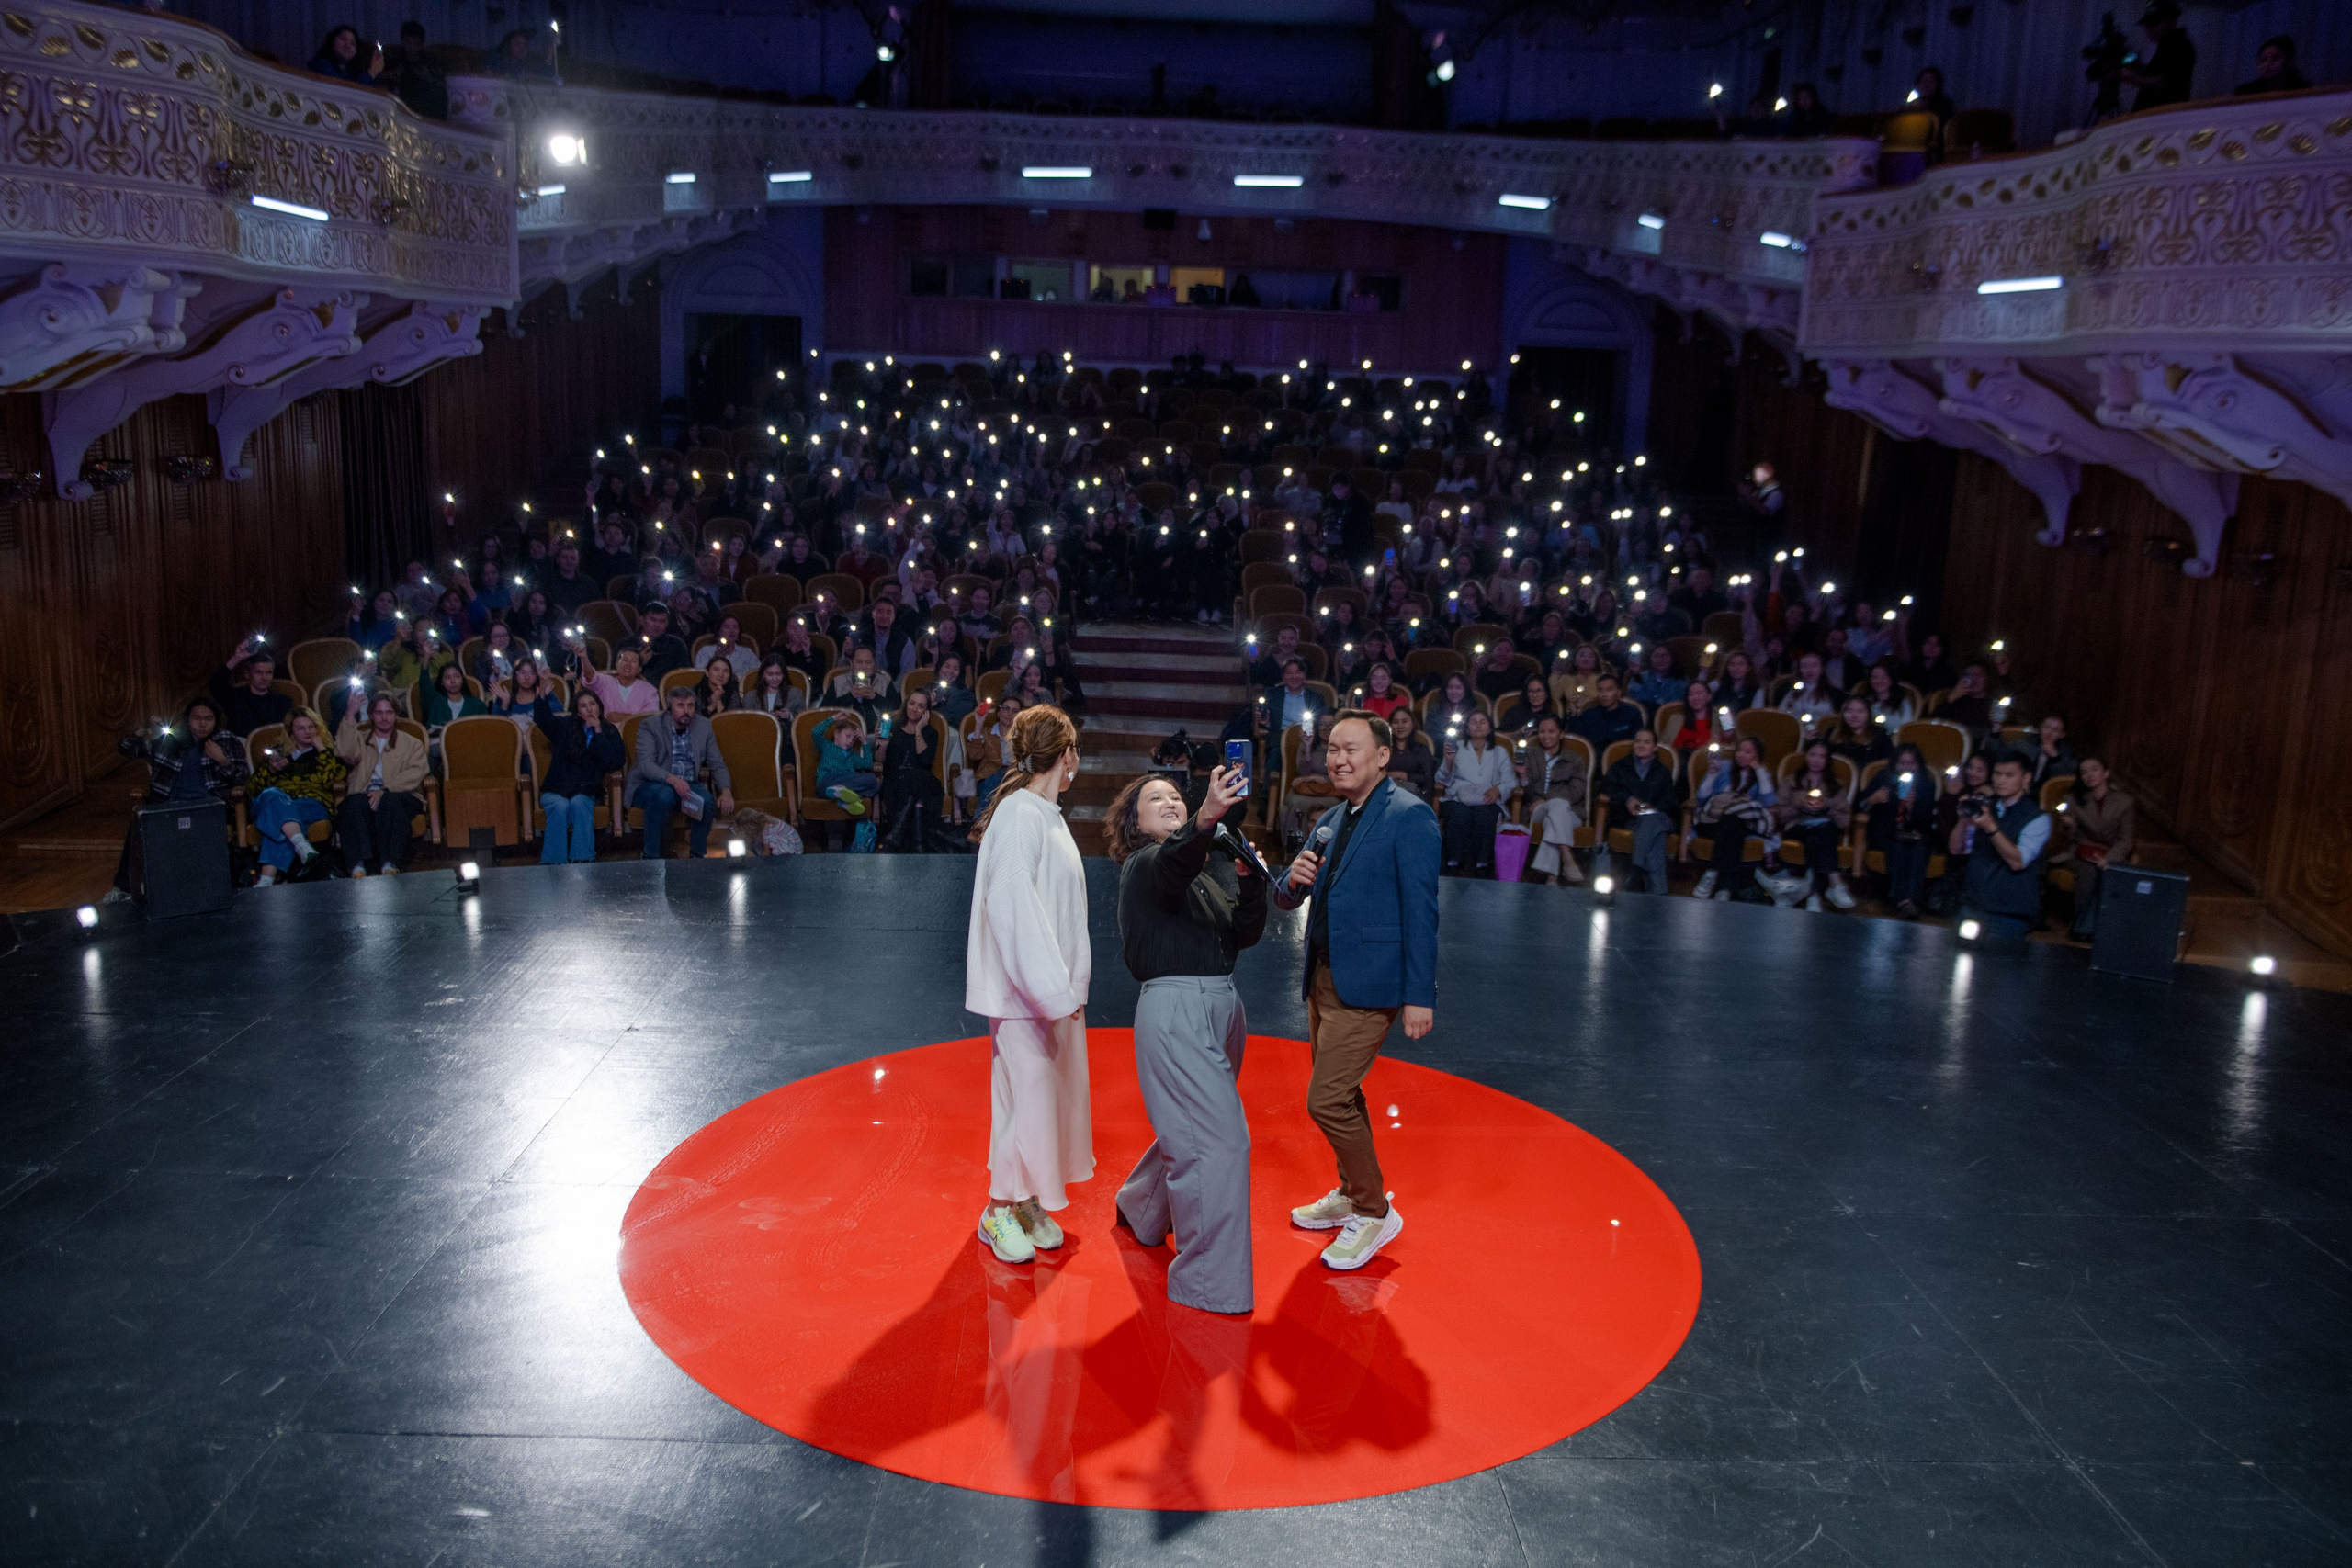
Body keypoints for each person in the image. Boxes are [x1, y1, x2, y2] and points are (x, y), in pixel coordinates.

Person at [1271, 710, 1440, 1272]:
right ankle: (1350, 1191)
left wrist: (1421, 995)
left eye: (1352, 750)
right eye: (1333, 750)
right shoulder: (1334, 817)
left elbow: (1422, 912)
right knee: (1343, 1094)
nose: (1339, 759)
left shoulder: (1410, 817)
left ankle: (1372, 1209)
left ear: (1383, 756)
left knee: (1326, 1098)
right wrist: (1290, 881)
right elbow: (1289, 896)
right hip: (1325, 976)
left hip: (1373, 983)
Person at [1104, 763, 1265, 1314]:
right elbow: (1174, 860)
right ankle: (1206, 1284)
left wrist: (1249, 886)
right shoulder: (1145, 865)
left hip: (1222, 1005)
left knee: (1194, 1127)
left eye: (1176, 795)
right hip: (1178, 1008)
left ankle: (1143, 1207)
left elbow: (1242, 934)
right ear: (1135, 820)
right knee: (1220, 1144)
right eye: (1156, 798)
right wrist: (1204, 819)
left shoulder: (1203, 871)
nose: (1169, 801)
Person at [964, 705, 1092, 1266]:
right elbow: (1013, 911)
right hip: (1025, 996)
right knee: (1024, 1104)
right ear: (1067, 756)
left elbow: (1066, 913)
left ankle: (1024, 1201)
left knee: (1040, 1104)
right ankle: (998, 1209)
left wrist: (1071, 987)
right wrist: (1051, 991)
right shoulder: (1020, 814)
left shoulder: (1046, 814)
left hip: (1049, 993)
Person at [629, 682, 735, 859]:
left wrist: (726, 791)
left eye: (690, 705)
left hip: (686, 785)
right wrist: (672, 780)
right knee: (664, 795)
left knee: (707, 800)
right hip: (651, 785)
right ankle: (650, 857)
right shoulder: (650, 726)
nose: (686, 711)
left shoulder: (703, 726)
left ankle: (697, 855)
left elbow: (717, 763)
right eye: (680, 705)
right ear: (669, 707)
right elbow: (646, 765)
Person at [334, 693, 428, 876]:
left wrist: (385, 790)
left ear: (396, 715)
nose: (384, 717)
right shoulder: (360, 738)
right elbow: (345, 753)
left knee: (390, 801)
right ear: (371, 715)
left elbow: (416, 773)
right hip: (364, 793)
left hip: (401, 794)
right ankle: (357, 866)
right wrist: (350, 716)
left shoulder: (411, 743)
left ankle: (390, 862)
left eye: (389, 712)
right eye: (379, 713)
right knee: (353, 804)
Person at [250, 709, 345, 886]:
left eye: (312, 727)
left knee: (279, 822)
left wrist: (323, 750)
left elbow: (329, 781)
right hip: (278, 802)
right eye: (301, 728)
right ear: (291, 731)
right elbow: (253, 788)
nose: (308, 732)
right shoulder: (278, 755)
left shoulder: (327, 754)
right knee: (272, 795)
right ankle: (300, 842)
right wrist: (271, 770)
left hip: (310, 804)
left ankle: (266, 880)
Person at [534, 688, 624, 864]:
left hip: (586, 791)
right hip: (556, 789)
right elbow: (542, 719)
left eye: (592, 704)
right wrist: (542, 696)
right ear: (577, 710)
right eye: (583, 706)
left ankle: (582, 862)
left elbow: (614, 763)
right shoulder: (565, 726)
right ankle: (553, 863)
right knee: (560, 805)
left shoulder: (609, 731)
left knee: (579, 803)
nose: (589, 709)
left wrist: (598, 732)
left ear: (599, 707)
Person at [1595, 728, 1684, 894]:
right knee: (1656, 839)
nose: (1641, 745)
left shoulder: (1662, 771)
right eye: (1638, 741)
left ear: (1655, 747)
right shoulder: (1621, 766)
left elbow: (1670, 801)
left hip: (1660, 818)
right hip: (1632, 820)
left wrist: (1651, 807)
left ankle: (1635, 870)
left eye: (1646, 742)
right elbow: (1607, 787)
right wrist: (1628, 799)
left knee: (1650, 818)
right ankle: (1659, 893)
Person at [1690, 734, 1777, 901]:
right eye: (1739, 751)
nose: (1741, 755)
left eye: (1748, 752)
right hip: (1711, 822)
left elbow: (1767, 802)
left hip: (1736, 826)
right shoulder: (1724, 767)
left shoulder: (1761, 775)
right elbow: (1701, 798)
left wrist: (1758, 770)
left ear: (1757, 756)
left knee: (1732, 824)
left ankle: (1714, 876)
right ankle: (1722, 886)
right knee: (1732, 828)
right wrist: (1711, 775)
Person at [2059, 756, 2135, 939]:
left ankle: (2114, 929)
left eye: (2094, 769)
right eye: (2083, 772)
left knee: (2116, 872)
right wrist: (2069, 825)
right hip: (2080, 851)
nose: (2088, 775)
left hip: (2110, 851)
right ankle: (2082, 926)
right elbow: (2068, 836)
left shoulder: (2125, 802)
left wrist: (2109, 859)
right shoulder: (2073, 799)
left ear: (2106, 773)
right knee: (2088, 871)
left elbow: (2126, 839)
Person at [1773, 740, 1855, 910]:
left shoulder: (1835, 786)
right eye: (1812, 755)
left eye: (1822, 756)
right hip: (1796, 827)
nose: (1816, 760)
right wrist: (1799, 805)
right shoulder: (1791, 782)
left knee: (1817, 835)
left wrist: (1826, 807)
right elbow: (1779, 814)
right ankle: (1835, 883)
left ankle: (1814, 894)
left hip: (1824, 830)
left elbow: (1845, 820)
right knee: (1820, 832)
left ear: (1827, 760)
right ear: (1806, 756)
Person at [1864, 743, 1941, 919]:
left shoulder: (1925, 784)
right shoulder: (1883, 778)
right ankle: (1902, 901)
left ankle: (1911, 901)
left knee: (1919, 848)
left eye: (1911, 763)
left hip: (1917, 834)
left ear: (1918, 764)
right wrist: (1873, 799)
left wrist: (1913, 806)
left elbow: (1927, 819)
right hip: (1887, 833)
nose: (1906, 768)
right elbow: (1859, 804)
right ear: (1895, 763)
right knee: (1898, 847)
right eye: (1902, 763)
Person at [1436, 709, 1511, 877]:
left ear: (1490, 728)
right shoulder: (1457, 748)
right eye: (1473, 721)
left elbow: (1510, 781)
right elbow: (1443, 779)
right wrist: (1448, 762)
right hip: (1458, 797)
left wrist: (1498, 789)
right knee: (1458, 814)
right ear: (1467, 728)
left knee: (1484, 816)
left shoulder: (1500, 752)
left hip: (1487, 797)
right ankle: (1452, 863)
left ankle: (1482, 864)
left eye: (1482, 721)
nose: (1478, 725)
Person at [1516, 714, 1587, 885]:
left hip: (1571, 812)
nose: (1546, 736)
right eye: (1542, 731)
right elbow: (1529, 796)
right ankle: (1568, 859)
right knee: (1555, 807)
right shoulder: (1531, 755)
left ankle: (1552, 877)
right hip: (1536, 809)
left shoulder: (1574, 759)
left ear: (1561, 734)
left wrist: (1547, 800)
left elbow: (1576, 792)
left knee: (1554, 815)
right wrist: (1524, 777)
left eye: (1551, 731)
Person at [880, 688, 945, 851]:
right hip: (896, 783)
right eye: (912, 703)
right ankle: (919, 843)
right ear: (906, 704)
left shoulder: (930, 733)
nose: (914, 709)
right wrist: (882, 747)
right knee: (914, 791)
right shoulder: (892, 728)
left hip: (924, 782)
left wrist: (918, 730)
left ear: (926, 712)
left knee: (916, 776)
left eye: (920, 706)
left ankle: (897, 833)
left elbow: (924, 761)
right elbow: (880, 760)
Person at [2116, 2, 2195, 114]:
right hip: (2156, 118)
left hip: (2162, 119)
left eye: (2156, 23)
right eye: (2148, 24)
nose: (2149, 29)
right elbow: (2157, 75)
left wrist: (2131, 78)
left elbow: (2163, 83)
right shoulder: (2166, 45)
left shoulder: (2180, 46)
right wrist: (2134, 69)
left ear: (2172, 22)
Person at [211, 637, 293, 738]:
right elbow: (215, 684)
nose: (264, 677)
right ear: (247, 674)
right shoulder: (236, 697)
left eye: (269, 673)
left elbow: (286, 733)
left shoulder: (282, 702)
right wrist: (238, 658)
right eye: (258, 672)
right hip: (239, 748)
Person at [816, 712, 879, 822]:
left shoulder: (851, 755)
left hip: (845, 783)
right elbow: (815, 732)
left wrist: (864, 741)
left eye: (854, 739)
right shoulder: (826, 746)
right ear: (836, 734)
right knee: (828, 785)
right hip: (827, 781)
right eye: (848, 736)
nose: (850, 741)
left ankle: (844, 801)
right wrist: (833, 718)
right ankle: (847, 796)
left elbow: (868, 764)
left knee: (872, 780)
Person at [383, 21, 448, 119]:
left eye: (416, 44)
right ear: (402, 42)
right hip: (400, 110)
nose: (412, 48)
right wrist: (392, 75)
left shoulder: (432, 63)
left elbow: (444, 88)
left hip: (427, 111)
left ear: (422, 44)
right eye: (408, 43)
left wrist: (428, 77)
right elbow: (375, 78)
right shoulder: (394, 60)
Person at [1570, 673, 1641, 750]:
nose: (1604, 695)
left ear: (1618, 692)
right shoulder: (1589, 714)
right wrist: (1574, 714)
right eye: (1600, 690)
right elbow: (1575, 742)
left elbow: (1638, 742)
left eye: (1609, 690)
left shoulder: (1632, 713)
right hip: (1596, 758)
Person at [1382, 705, 1438, 802]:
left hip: (1414, 798)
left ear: (1412, 724)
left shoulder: (1421, 750)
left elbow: (1428, 779)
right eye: (1395, 722)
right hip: (1386, 796)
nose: (1400, 726)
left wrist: (1403, 775)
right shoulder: (1383, 750)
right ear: (1390, 726)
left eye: (1404, 722)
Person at [307, 24, 381, 85]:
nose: (348, 46)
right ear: (332, 42)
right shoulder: (321, 65)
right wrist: (372, 73)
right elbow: (344, 91)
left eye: (353, 44)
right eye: (343, 39)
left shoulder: (353, 74)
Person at [2236, 36, 2311, 96]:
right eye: (2263, 60)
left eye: (2275, 59)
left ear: (2288, 62)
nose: (2268, 64)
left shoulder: (2305, 91)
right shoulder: (2246, 92)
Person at [2027, 713, 2078, 789]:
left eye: (2055, 730)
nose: (2049, 733)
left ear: (2062, 734)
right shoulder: (2028, 743)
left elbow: (2065, 780)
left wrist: (2055, 758)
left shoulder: (2067, 752)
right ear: (2040, 728)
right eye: (2047, 727)